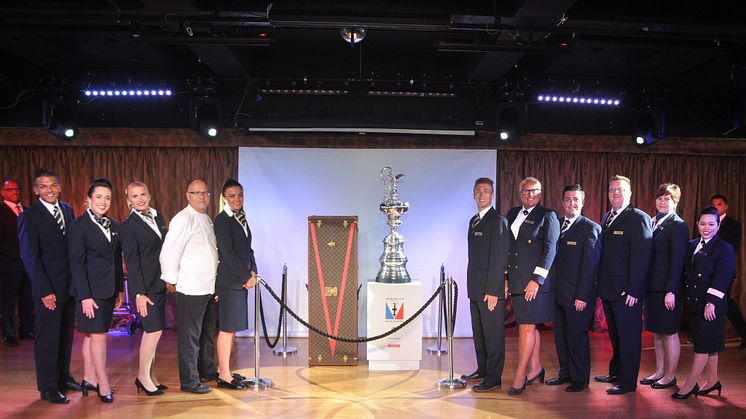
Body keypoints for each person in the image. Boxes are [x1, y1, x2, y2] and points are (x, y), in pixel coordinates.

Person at [18, 168, 81, 404]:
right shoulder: (28, 216)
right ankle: (47, 386)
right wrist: (44, 290)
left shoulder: (67, 209)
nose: (49, 190)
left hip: (68, 287)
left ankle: (63, 377)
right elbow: (30, 257)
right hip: (48, 290)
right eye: (43, 186)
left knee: (65, 336)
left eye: (53, 185)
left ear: (60, 186)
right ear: (36, 190)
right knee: (48, 338)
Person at [594, 175, 652, 395]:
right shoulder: (607, 216)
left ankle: (627, 383)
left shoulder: (639, 218)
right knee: (616, 336)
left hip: (627, 291)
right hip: (609, 288)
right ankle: (616, 372)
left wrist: (634, 288)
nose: (615, 193)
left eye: (620, 190)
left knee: (629, 337)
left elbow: (642, 255)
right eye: (612, 190)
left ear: (630, 193)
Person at [160, 179, 219, 394]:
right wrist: (171, 280)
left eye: (205, 193)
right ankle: (189, 381)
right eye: (196, 193)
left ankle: (207, 372)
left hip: (207, 288)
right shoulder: (183, 219)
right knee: (190, 338)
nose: (202, 197)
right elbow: (168, 252)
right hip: (190, 288)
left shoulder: (206, 219)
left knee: (206, 334)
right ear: (188, 196)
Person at [68, 178, 124, 403]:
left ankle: (88, 379)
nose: (103, 201)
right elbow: (77, 263)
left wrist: (120, 289)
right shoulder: (79, 226)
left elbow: (116, 261)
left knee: (92, 336)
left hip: (109, 290)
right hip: (90, 292)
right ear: (88, 199)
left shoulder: (114, 225)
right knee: (99, 336)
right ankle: (103, 383)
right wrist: (85, 296)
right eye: (98, 197)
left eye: (107, 197)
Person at [672, 206, 736, 399]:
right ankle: (713, 381)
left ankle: (690, 385)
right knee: (710, 345)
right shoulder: (692, 245)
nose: (706, 228)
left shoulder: (724, 248)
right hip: (694, 303)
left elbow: (723, 277)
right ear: (697, 224)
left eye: (711, 224)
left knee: (702, 346)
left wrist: (711, 303)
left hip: (711, 306)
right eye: (702, 223)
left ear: (718, 225)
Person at [505, 177, 559, 395]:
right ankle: (536, 369)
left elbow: (550, 250)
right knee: (528, 326)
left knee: (526, 327)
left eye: (533, 191)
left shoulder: (548, 215)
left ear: (540, 192)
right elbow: (509, 248)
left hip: (534, 283)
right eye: (525, 191)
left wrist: (536, 280)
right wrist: (507, 277)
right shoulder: (512, 214)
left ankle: (520, 375)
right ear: (520, 193)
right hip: (517, 281)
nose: (529, 195)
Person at [546, 184, 601, 392]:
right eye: (567, 199)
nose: (571, 203)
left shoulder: (590, 228)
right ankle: (565, 373)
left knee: (577, 337)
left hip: (578, 296)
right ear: (562, 202)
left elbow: (590, 266)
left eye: (575, 199)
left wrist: (582, 296)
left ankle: (580, 379)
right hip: (557, 294)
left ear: (582, 202)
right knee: (560, 337)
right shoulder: (556, 225)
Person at [460, 177, 510, 392]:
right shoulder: (474, 220)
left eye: (486, 191)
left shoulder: (498, 221)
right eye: (478, 191)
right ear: (473, 194)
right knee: (479, 334)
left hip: (490, 290)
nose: (482, 195)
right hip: (475, 288)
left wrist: (493, 291)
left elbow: (499, 259)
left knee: (493, 335)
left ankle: (493, 376)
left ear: (492, 195)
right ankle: (482, 369)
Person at [120, 181, 168, 396]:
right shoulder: (128, 226)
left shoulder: (157, 217)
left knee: (156, 332)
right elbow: (131, 262)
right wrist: (138, 293)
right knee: (152, 330)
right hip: (145, 288)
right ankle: (142, 377)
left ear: (149, 195)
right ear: (128, 199)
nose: (139, 199)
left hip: (159, 283)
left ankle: (151, 376)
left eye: (143, 194)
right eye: (134, 196)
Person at [640, 184, 688, 389]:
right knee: (657, 332)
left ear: (675, 202)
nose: (662, 202)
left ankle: (670, 375)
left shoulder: (678, 225)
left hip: (667, 288)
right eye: (660, 198)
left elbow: (678, 261)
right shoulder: (653, 221)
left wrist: (671, 290)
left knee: (669, 331)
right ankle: (659, 371)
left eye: (667, 198)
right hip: (652, 286)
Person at [214, 179, 258, 390]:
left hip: (240, 281)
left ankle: (226, 371)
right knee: (226, 329)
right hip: (230, 282)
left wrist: (253, 271)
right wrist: (245, 277)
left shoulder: (242, 218)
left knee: (232, 330)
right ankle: (223, 375)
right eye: (232, 196)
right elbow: (228, 254)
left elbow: (248, 250)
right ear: (224, 198)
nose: (237, 199)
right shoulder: (222, 220)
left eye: (240, 195)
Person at [709, 194, 745, 349]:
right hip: (708, 270)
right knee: (714, 302)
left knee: (725, 303)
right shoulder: (708, 222)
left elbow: (732, 248)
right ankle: (709, 337)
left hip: (724, 270)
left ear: (726, 206)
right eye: (713, 204)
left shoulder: (733, 225)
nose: (716, 207)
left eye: (719, 204)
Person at [1, 179, 34, 347]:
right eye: (10, 189)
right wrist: (18, 254)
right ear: (3, 192)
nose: (15, 192)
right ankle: (9, 333)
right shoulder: (1, 211)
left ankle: (26, 329)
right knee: (9, 300)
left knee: (27, 298)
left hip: (28, 264)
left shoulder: (27, 211)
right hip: (9, 264)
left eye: (17, 189)